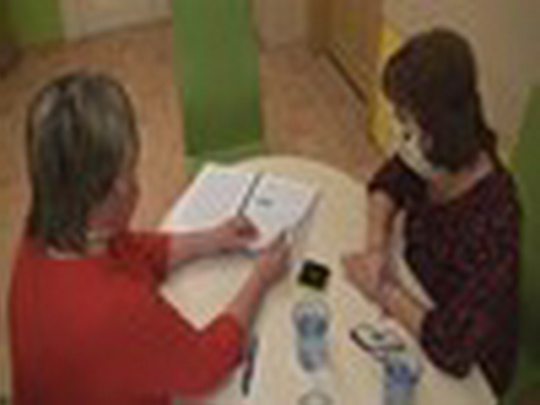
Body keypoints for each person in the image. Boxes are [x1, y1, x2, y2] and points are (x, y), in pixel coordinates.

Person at [9, 72, 290, 404]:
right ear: (117, 187)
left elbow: (129, 250)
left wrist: (210, 239)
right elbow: (205, 366)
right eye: (130, 169)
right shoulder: (114, 310)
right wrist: (260, 279)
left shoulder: (47, 232)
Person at [342, 28, 520, 398]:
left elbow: (454, 347)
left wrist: (383, 291)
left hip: (470, 365)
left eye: (406, 122)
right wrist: (376, 248)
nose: (399, 135)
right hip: (415, 295)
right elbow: (386, 184)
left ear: (443, 128)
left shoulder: (496, 218)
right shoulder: (432, 160)